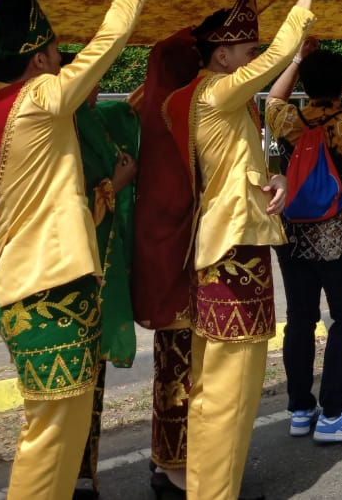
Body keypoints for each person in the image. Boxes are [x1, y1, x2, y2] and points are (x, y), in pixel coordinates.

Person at [0, 0, 149, 500]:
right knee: (51, 433)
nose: (64, 62)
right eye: (56, 55)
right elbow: (105, 48)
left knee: (59, 429)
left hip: (19, 283)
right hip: (49, 291)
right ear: (39, 59)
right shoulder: (38, 102)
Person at [165, 0, 325, 499]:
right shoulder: (215, 94)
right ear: (223, 54)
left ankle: (214, 490)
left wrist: (273, 179)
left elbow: (239, 168)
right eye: (247, 48)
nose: (255, 55)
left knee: (225, 386)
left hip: (233, 241)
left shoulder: (219, 98)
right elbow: (281, 54)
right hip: (231, 249)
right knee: (229, 390)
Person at [266, 41, 342, 442]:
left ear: (305, 83)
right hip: (338, 233)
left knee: (300, 318)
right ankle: (334, 412)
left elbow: (273, 96)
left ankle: (301, 408)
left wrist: (296, 59)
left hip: (292, 232)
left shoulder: (286, 120)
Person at [62, 53, 140, 500]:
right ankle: (65, 477)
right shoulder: (60, 128)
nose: (97, 89)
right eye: (89, 80)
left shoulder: (95, 118)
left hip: (100, 268)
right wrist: (119, 181)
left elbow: (135, 107)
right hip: (74, 269)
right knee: (71, 381)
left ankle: (83, 474)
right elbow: (71, 204)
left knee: (91, 380)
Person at [131, 29, 201, 496]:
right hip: (180, 258)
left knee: (169, 367)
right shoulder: (178, 113)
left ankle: (164, 460)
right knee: (184, 370)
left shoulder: (143, 107)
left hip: (155, 255)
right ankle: (176, 469)